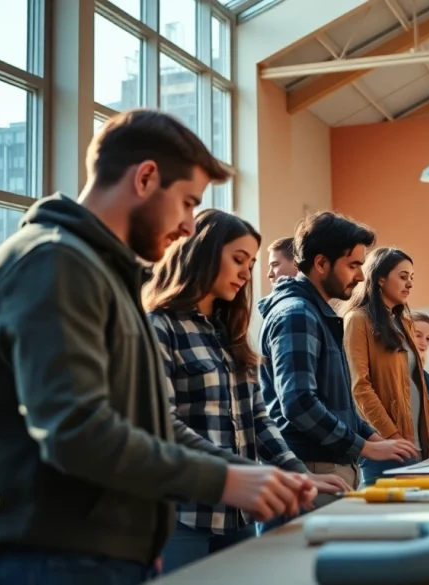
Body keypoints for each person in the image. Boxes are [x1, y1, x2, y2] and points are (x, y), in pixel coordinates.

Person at [0, 110, 315, 585]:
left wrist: (248, 473)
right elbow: (76, 430)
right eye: (188, 202)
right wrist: (225, 480)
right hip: (48, 559)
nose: (190, 226)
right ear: (146, 177)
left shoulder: (102, 274)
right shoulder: (54, 262)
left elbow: (150, 426)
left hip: (96, 556)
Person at [144, 209, 350, 572]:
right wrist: (250, 474)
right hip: (183, 514)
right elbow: (164, 425)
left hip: (236, 517)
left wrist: (296, 471)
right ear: (201, 254)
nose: (246, 272)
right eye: (238, 259)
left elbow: (258, 419)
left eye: (251, 263)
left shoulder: (231, 334)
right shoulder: (159, 327)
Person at [257, 211, 418, 494]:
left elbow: (338, 404)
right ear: (320, 263)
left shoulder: (318, 314)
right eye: (353, 265)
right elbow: (299, 403)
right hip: (312, 467)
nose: (359, 276)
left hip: (332, 463)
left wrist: (374, 438)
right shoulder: (297, 314)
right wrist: (364, 446)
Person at [343, 248, 429, 486]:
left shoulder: (403, 322)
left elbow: (417, 386)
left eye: (412, 278)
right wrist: (391, 436)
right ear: (380, 278)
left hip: (417, 445)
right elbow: (359, 386)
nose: (410, 284)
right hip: (386, 447)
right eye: (403, 276)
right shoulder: (358, 319)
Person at [410, 310, 429, 398]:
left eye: (428, 338)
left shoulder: (426, 379)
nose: (424, 343)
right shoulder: (388, 372)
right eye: (418, 335)